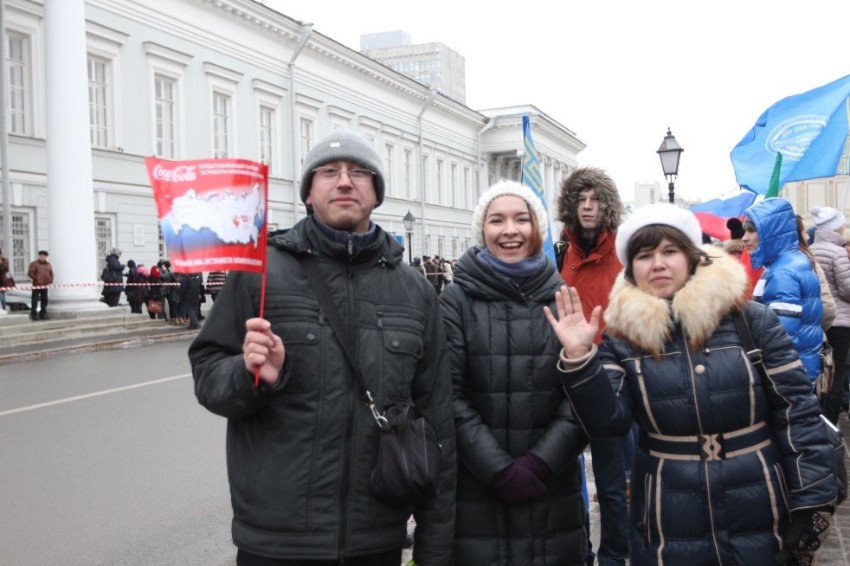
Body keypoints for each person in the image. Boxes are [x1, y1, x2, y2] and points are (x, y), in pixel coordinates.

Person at [189, 128, 456, 565]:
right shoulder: (259, 272)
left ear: (377, 194)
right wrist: (251, 374)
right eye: (329, 172)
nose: (345, 181)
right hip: (276, 543)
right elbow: (207, 374)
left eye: (360, 172)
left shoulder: (415, 291)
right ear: (309, 194)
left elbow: (438, 421)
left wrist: (435, 549)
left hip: (377, 541)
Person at [546, 203, 838, 564]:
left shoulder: (751, 321)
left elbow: (797, 411)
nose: (658, 263)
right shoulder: (622, 340)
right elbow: (608, 423)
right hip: (667, 512)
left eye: (670, 251)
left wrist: (810, 496)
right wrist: (579, 360)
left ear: (691, 257)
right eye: (644, 255)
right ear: (631, 268)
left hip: (760, 504)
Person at [441, 180, 587, 564]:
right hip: (477, 491)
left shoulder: (563, 297)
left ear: (536, 229)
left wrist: (540, 463)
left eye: (521, 219)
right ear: (482, 230)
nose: (509, 230)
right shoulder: (455, 300)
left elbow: (580, 395)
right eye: (496, 220)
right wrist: (498, 470)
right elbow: (446, 394)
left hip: (552, 490)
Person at [556, 166, 629, 565]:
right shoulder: (560, 250)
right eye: (581, 200)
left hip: (610, 373)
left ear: (606, 206)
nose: (587, 207)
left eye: (595, 200)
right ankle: (579, 552)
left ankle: (615, 556)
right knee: (567, 477)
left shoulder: (622, 249)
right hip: (569, 371)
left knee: (613, 483)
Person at [742, 198, 823, 383]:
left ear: (771, 232)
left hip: (787, 377)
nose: (744, 238)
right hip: (800, 369)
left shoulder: (782, 273)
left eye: (751, 230)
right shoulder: (791, 263)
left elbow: (780, 340)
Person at [810, 206, 850, 424]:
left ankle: (819, 418)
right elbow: (847, 289)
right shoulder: (838, 253)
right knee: (838, 373)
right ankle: (831, 423)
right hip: (841, 321)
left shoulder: (811, 249)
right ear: (836, 228)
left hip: (819, 320)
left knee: (822, 374)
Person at [27, 250, 53, 321]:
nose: (42, 257)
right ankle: (34, 315)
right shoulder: (34, 264)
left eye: (44, 255)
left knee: (44, 300)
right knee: (35, 300)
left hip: (45, 285)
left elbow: (51, 273)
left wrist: (50, 280)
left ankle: (43, 314)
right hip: (37, 285)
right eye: (41, 255)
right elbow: (30, 273)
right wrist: (36, 278)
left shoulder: (48, 264)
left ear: (46, 256)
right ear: (39, 256)